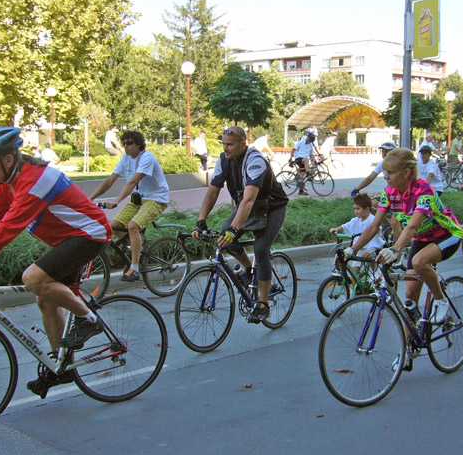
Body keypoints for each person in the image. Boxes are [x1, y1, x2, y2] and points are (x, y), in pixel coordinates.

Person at [0, 127, 112, 397]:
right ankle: (63, 367)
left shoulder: (35, 179)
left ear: (8, 160)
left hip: (90, 234)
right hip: (67, 239)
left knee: (33, 279)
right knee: (45, 298)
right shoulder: (9, 184)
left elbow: (7, 228)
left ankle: (90, 320)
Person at [348, 148, 463, 333]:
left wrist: (395, 250)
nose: (386, 176)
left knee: (419, 261)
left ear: (406, 172)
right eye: (385, 171)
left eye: (391, 172)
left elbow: (411, 227)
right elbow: (373, 226)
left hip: (447, 235)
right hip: (421, 239)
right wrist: (351, 250)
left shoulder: (423, 190)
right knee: (409, 297)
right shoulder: (389, 192)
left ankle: (441, 302)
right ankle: (409, 352)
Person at [192, 126, 289, 324]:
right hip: (248, 206)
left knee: (261, 249)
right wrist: (201, 220)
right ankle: (249, 269)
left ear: (242, 143)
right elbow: (213, 191)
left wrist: (234, 229)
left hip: (271, 208)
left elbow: (249, 200)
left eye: (230, 144)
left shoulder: (255, 161)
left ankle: (263, 304)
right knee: (226, 240)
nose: (225, 149)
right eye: (223, 144)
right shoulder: (223, 160)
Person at [88, 130, 170, 282]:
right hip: (138, 199)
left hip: (156, 198)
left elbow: (132, 182)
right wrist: (89, 199)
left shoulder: (147, 158)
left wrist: (117, 201)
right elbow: (110, 180)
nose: (126, 146)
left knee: (133, 226)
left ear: (139, 144)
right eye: (124, 143)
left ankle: (134, 268)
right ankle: (133, 252)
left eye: (130, 143)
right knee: (114, 226)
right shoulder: (125, 158)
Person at [329, 193, 384, 260]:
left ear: (367, 209)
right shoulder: (355, 220)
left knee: (365, 255)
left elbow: (377, 228)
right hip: (359, 246)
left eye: (358, 209)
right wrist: (336, 229)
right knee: (353, 265)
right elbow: (345, 226)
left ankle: (376, 270)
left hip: (373, 245)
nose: (356, 211)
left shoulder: (372, 220)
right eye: (354, 208)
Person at [289, 130, 319, 195]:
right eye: (309, 139)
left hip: (304, 161)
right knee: (306, 160)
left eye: (310, 140)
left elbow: (311, 154)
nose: (309, 141)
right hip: (299, 158)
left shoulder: (310, 145)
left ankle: (301, 190)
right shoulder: (301, 142)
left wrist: (314, 160)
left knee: (303, 177)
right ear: (307, 138)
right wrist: (291, 158)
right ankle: (308, 174)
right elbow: (293, 149)